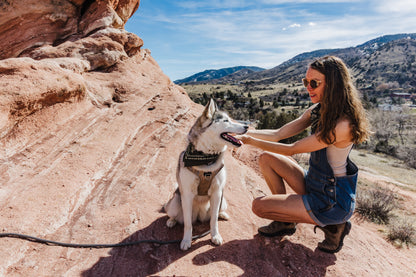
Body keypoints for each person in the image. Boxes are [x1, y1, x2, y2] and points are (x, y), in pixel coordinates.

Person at [236, 56, 370, 253]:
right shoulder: (318, 110)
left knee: (259, 207)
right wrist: (243, 131)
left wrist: (249, 142)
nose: (308, 87)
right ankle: (285, 223)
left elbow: (292, 148)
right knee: (266, 158)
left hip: (332, 200)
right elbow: (278, 134)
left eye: (314, 83)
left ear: (333, 85)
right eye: (305, 82)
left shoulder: (343, 125)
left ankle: (334, 226)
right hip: (315, 182)